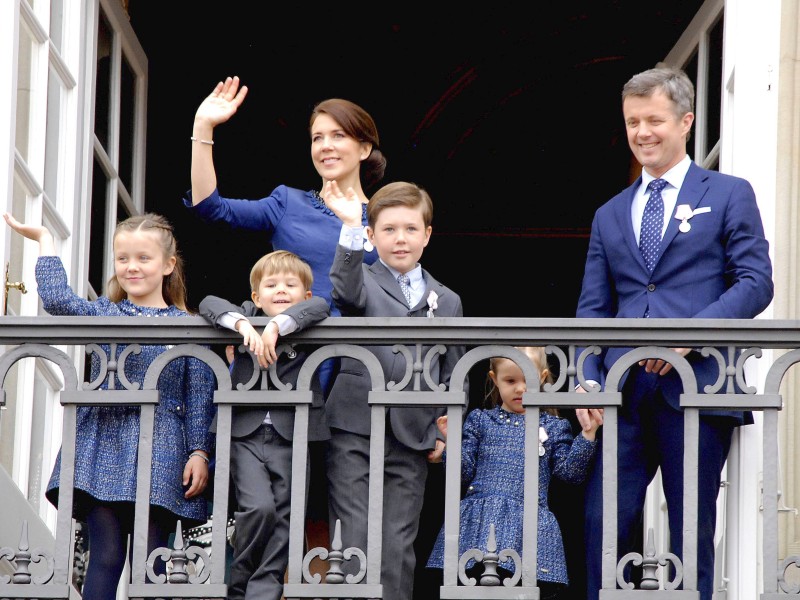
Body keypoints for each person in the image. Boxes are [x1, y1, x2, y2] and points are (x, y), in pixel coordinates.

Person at [575, 65, 774, 600]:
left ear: (685, 121)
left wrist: (689, 333)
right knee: (602, 524)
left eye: (654, 121)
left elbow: (756, 282)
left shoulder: (730, 192)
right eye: (632, 122)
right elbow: (592, 310)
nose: (642, 133)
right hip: (622, 392)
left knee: (692, 533)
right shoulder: (610, 212)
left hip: (697, 388)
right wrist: (587, 381)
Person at [3, 211, 216, 600]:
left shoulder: (190, 325)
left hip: (164, 450)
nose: (131, 267)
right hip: (103, 443)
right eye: (123, 259)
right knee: (105, 554)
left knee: (152, 561)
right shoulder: (105, 311)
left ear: (168, 265)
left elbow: (199, 395)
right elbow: (57, 300)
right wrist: (45, 241)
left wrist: (199, 451)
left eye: (143, 258)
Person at [323, 180, 466, 600]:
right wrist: (349, 225)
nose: (400, 238)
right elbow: (343, 287)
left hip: (413, 436)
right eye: (387, 229)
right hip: (355, 427)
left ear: (427, 234)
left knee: (398, 544)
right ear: (371, 236)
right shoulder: (363, 282)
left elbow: (455, 373)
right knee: (352, 537)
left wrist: (445, 430)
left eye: (409, 228)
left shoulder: (448, 299)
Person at [184, 76, 384, 316]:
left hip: (363, 351)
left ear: (364, 149)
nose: (325, 145)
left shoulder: (384, 218)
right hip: (297, 349)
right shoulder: (287, 203)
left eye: (338, 136)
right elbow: (210, 208)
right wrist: (203, 126)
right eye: (317, 138)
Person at [198, 250, 330, 600]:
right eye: (271, 285)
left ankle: (263, 592)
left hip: (293, 434)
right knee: (259, 507)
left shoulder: (310, 316)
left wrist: (274, 326)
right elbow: (209, 302)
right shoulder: (244, 315)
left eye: (290, 284)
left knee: (287, 517)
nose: (281, 290)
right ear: (256, 297)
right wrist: (246, 325)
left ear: (304, 294)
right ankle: (240, 582)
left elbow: (321, 306)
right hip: (246, 433)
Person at [426, 347, 601, 599]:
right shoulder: (480, 420)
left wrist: (587, 434)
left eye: (527, 381)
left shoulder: (554, 425)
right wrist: (452, 441)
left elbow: (570, 474)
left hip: (528, 525)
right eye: (510, 381)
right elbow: (461, 473)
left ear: (542, 378)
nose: (519, 389)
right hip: (479, 523)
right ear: (493, 379)